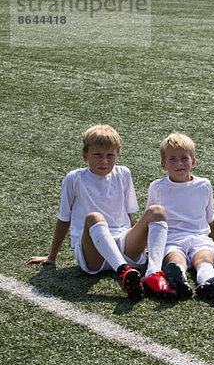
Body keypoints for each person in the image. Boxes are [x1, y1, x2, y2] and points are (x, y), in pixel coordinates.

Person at [25, 125, 174, 301]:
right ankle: (123, 271)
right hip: (93, 256)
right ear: (85, 155)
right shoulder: (74, 178)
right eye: (97, 155)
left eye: (110, 155)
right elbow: (63, 218)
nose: (104, 161)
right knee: (94, 217)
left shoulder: (124, 173)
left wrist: (139, 242)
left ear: (118, 154)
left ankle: (153, 273)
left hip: (123, 245)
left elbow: (128, 215)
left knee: (157, 211)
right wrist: (51, 256)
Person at [147, 133, 214, 300]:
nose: (179, 163)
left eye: (184, 158)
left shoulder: (203, 185)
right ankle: (179, 280)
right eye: (172, 159)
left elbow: (210, 217)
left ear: (193, 161)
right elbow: (151, 220)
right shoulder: (157, 187)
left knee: (204, 257)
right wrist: (149, 245)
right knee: (175, 258)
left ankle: (209, 282)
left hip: (199, 236)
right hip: (171, 238)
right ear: (163, 164)